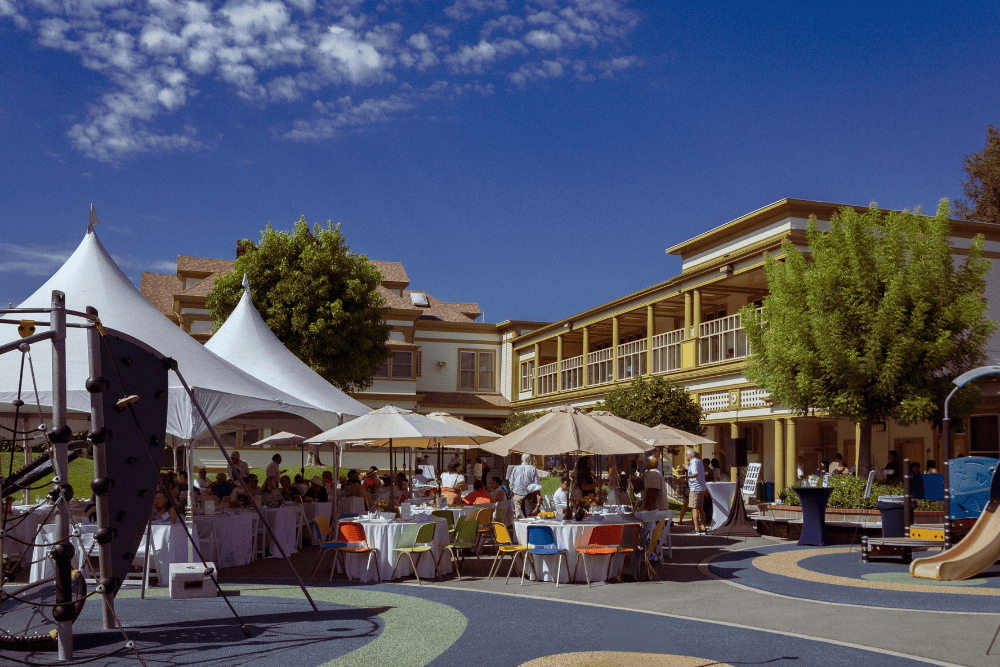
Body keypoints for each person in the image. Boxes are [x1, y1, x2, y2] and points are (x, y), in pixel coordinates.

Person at [678, 448, 708, 534]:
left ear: (690, 455)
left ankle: (696, 529)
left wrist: (686, 477)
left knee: (694, 509)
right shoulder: (698, 461)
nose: (686, 456)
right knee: (700, 508)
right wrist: (688, 469)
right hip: (701, 488)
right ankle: (703, 528)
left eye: (686, 455)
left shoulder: (693, 462)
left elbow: (695, 474)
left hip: (695, 488)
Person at [509, 453, 541, 518]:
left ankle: (519, 527)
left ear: (521, 460)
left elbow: (512, 481)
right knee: (529, 514)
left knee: (519, 515)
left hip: (518, 494)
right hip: (529, 496)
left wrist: (512, 490)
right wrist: (538, 493)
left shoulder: (516, 468)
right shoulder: (532, 468)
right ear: (529, 460)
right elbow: (536, 483)